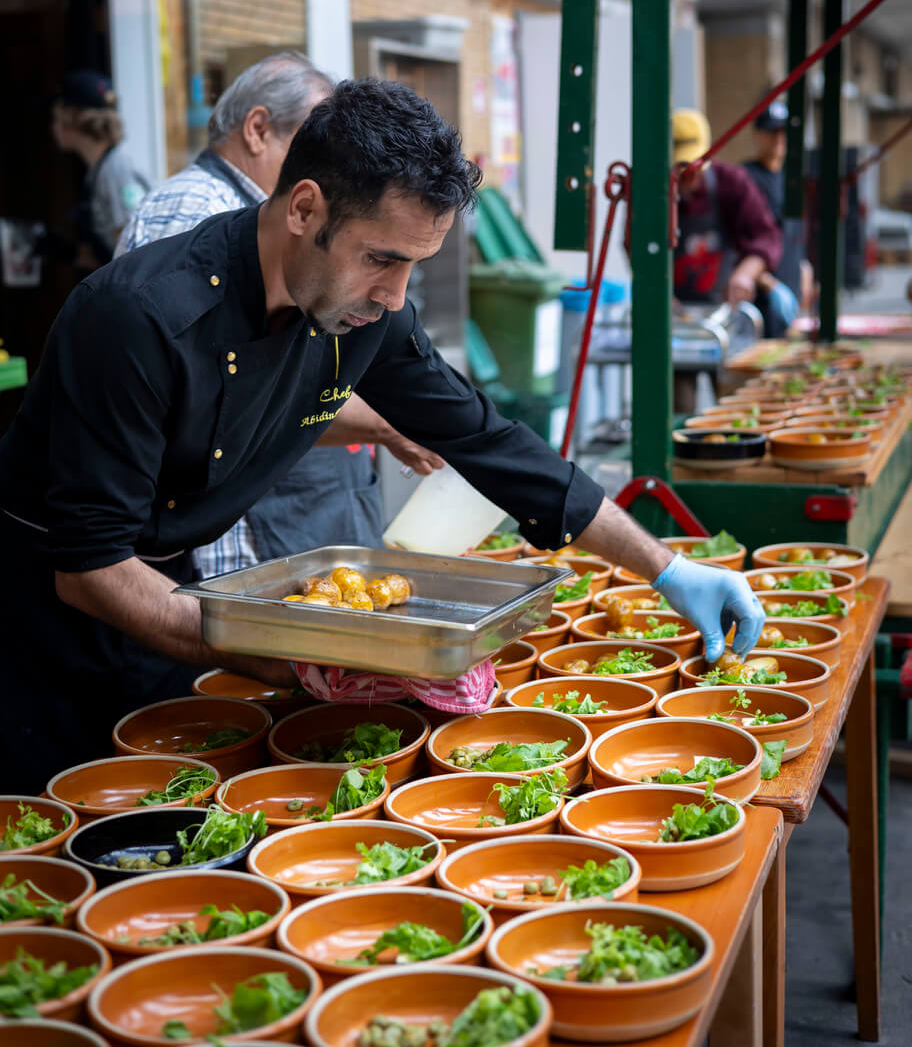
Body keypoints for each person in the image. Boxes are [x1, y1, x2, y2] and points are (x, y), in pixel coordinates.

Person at [0, 80, 764, 788]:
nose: (395, 297)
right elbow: (90, 568)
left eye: (414, 267)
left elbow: (490, 443)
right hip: (49, 633)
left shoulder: (367, 314)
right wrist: (296, 656)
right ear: (304, 209)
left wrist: (666, 568)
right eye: (381, 260)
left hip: (171, 605)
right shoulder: (137, 317)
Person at [117, 52, 440, 576]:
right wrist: (388, 425)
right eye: (317, 142)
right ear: (258, 129)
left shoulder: (294, 230)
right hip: (237, 544)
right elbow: (227, 400)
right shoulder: (196, 209)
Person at [672, 108, 782, 311]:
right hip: (673, 310)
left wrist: (745, 274)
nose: (688, 176)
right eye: (681, 170)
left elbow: (765, 236)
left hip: (725, 308)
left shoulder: (732, 182)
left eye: (694, 168)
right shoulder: (653, 195)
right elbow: (636, 247)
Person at [51, 71, 150, 267]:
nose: (53, 127)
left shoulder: (115, 169)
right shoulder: (97, 171)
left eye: (56, 118)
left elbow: (133, 248)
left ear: (72, 121)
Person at [742, 100, 813, 337]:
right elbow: (738, 239)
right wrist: (766, 282)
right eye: (772, 132)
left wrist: (804, 267)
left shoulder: (793, 178)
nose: (778, 139)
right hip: (758, 296)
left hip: (791, 286)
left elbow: (796, 230)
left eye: (783, 132)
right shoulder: (745, 178)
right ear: (757, 135)